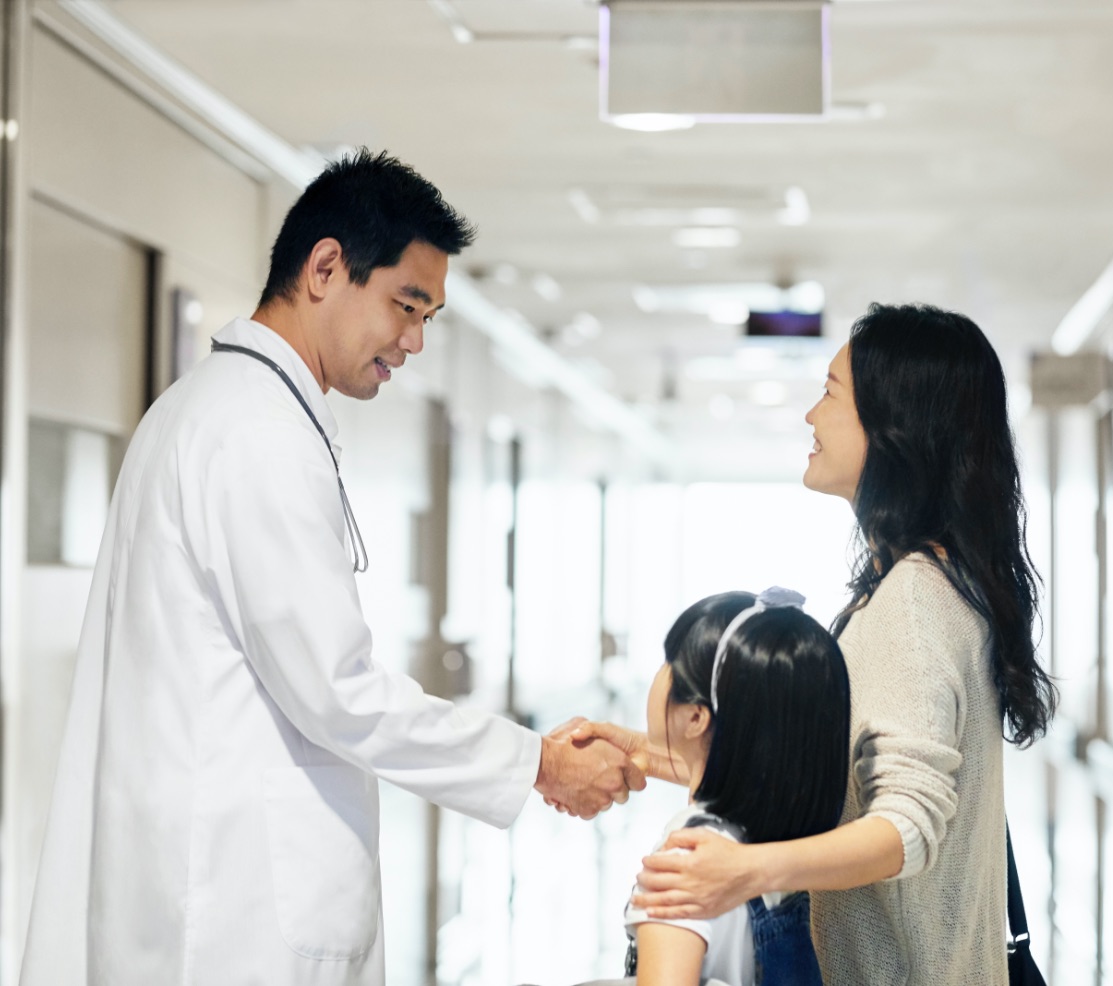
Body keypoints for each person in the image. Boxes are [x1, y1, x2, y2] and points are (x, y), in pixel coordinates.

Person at [19, 149, 644, 986]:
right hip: (232, 921)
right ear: (324, 268)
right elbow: (338, 691)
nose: (414, 341)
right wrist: (540, 763)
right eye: (405, 305)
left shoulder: (214, 410)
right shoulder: (255, 432)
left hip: (208, 895)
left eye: (429, 316)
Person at [571, 303, 1057, 985]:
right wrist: (646, 753)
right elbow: (830, 782)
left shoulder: (916, 601)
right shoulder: (930, 583)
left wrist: (745, 869)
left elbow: (905, 827)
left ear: (893, 424)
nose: (811, 416)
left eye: (830, 393)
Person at [620, 587, 850, 986]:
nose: (659, 674)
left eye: (669, 662)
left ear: (695, 718)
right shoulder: (777, 845)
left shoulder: (688, 860)